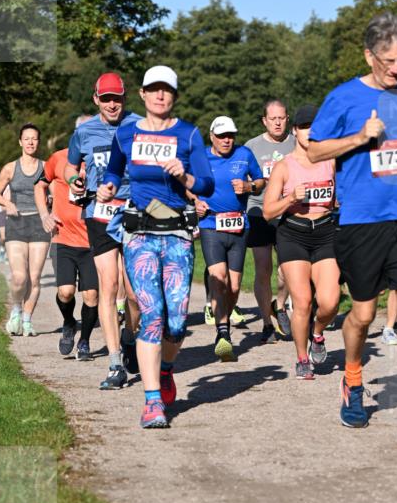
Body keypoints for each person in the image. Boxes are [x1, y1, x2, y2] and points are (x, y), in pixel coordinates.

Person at [309, 12, 397, 441]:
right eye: (390, 61)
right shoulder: (344, 98)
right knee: (362, 314)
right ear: (370, 55)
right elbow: (314, 152)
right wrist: (360, 137)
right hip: (361, 222)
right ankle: (353, 380)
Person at [97, 65, 214, 429]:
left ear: (174, 96)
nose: (160, 96)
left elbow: (207, 184)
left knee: (176, 323)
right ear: (144, 95)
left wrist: (185, 175)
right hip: (140, 233)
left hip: (177, 232)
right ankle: (151, 402)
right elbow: (115, 170)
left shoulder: (189, 134)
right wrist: (109, 187)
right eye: (154, 89)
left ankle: (165, 370)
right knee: (151, 313)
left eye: (167, 90)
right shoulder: (127, 133)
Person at [65, 73, 140, 390]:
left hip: (135, 212)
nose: (112, 103)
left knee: (136, 293)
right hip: (99, 212)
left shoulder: (140, 125)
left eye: (117, 98)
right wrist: (75, 181)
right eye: (106, 98)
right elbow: (70, 166)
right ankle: (114, 363)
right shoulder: (84, 132)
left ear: (125, 99)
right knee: (108, 285)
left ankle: (130, 336)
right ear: (96, 99)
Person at [263, 104, 340, 379]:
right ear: (295, 131)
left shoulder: (331, 162)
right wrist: (291, 199)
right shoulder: (284, 167)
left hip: (325, 232)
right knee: (303, 301)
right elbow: (268, 211)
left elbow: (342, 195)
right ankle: (302, 357)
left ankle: (317, 334)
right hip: (293, 233)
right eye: (305, 127)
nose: (311, 132)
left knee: (330, 301)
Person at [193, 116, 263, 362]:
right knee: (219, 280)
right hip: (211, 224)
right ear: (211, 136)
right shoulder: (200, 156)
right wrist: (195, 201)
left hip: (239, 226)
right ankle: (223, 333)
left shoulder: (244, 154)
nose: (227, 140)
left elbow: (260, 181)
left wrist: (249, 188)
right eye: (222, 135)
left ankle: (224, 320)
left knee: (233, 288)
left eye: (230, 135)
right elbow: (185, 182)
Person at [35, 115, 100, 361]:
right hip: (63, 238)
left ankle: (84, 341)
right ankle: (69, 322)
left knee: (92, 295)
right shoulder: (58, 158)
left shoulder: (101, 159)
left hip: (93, 239)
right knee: (65, 292)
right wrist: (44, 214)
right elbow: (39, 185)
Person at [0, 124, 51, 336]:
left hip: (39, 224)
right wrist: (7, 204)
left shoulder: (46, 167)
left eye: (34, 138)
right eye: (26, 138)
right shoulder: (10, 168)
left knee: (34, 278)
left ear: (39, 142)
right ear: (20, 142)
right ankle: (16, 309)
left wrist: (51, 206)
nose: (30, 142)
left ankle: (27, 320)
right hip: (16, 223)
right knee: (19, 277)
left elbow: (54, 193)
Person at [245, 100, 295, 342]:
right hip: (259, 210)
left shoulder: (297, 145)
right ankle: (266, 323)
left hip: (288, 211)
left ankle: (281, 304)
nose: (277, 122)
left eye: (281, 118)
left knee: (286, 269)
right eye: (272, 118)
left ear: (287, 119)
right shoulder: (251, 146)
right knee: (263, 268)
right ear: (264, 120)